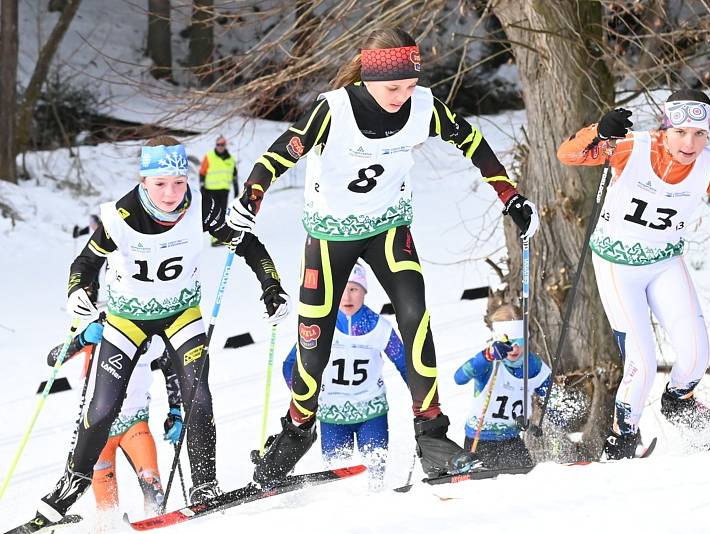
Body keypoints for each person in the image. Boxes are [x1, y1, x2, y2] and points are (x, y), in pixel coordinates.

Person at [226, 28, 540, 482]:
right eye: (393, 88)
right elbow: (280, 154)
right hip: (331, 236)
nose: (402, 96)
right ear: (369, 78)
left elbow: (471, 141)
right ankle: (295, 433)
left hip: (389, 227)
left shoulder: (424, 106)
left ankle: (431, 434)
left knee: (415, 315)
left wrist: (510, 197)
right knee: (314, 338)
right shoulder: (333, 111)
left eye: (410, 86)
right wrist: (251, 196)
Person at [30, 136, 291, 528]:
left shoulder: (204, 207)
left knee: (198, 397)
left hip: (181, 314)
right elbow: (84, 263)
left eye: (179, 182)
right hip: (126, 318)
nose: (171, 193)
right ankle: (70, 486)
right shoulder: (120, 216)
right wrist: (77, 293)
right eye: (160, 184)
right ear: (144, 181)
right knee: (102, 409)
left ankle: (204, 485)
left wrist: (271, 286)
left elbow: (248, 244)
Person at [557, 89, 710, 459]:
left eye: (700, 134)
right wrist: (599, 131)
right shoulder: (634, 146)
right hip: (617, 264)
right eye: (681, 132)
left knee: (697, 354)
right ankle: (623, 437)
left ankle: (679, 402)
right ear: (666, 128)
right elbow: (568, 154)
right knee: (642, 361)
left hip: (664, 262)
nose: (690, 143)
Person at [281, 263, 407, 488]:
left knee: (374, 475)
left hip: (372, 413)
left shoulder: (380, 327)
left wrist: (421, 399)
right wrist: (303, 396)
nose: (347, 297)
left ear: (364, 291)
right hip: (332, 415)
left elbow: (406, 365)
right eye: (342, 289)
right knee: (337, 480)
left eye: (354, 289)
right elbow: (291, 364)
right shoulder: (320, 328)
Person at [47, 318, 182, 517]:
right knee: (107, 508)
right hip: (97, 430)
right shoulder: (104, 329)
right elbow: (53, 359)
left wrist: (176, 412)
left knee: (154, 491)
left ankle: (156, 523)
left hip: (134, 424)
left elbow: (172, 369)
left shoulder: (151, 334)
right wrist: (82, 339)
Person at [454, 305, 551, 469]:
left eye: (519, 342)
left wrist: (562, 412)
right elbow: (459, 378)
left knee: (525, 480)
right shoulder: (488, 363)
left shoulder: (532, 365)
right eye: (508, 343)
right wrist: (487, 355)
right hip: (480, 440)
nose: (514, 349)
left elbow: (551, 396)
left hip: (511, 439)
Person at [199, 135, 239, 246]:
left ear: (225, 145)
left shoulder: (230, 159)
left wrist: (236, 189)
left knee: (222, 214)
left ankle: (219, 237)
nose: (220, 147)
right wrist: (202, 187)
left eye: (222, 145)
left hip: (224, 191)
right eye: (218, 145)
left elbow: (234, 175)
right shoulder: (209, 156)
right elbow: (202, 172)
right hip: (210, 190)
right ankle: (214, 239)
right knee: (213, 215)